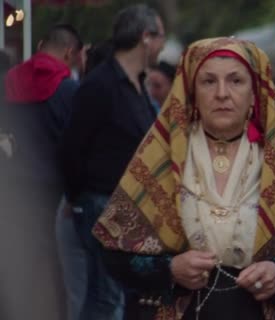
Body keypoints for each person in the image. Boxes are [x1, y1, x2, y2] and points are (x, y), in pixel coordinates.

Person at [91, 37, 275, 320]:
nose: (222, 93)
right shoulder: (161, 158)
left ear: (255, 93)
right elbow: (113, 251)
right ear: (191, 91)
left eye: (236, 81)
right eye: (208, 81)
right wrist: (169, 269)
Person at [60, 4, 165, 319]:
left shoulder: (137, 85)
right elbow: (71, 147)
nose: (162, 45)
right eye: (160, 37)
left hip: (123, 205)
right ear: (145, 37)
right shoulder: (101, 85)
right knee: (107, 298)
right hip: (101, 202)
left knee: (110, 296)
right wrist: (78, 198)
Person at [0, 24, 83, 320]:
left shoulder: (8, 82)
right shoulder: (69, 90)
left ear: (39, 45)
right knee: (58, 268)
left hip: (16, 189)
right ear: (70, 52)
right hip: (56, 192)